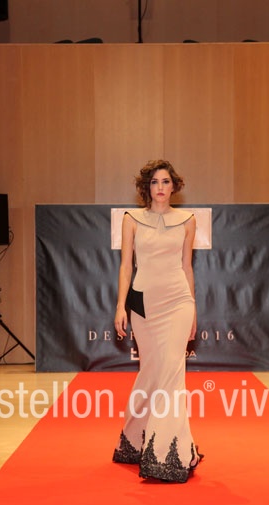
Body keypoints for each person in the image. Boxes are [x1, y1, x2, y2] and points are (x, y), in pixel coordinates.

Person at [112, 159, 202, 483]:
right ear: (146, 188)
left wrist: (193, 308)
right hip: (143, 304)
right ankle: (135, 439)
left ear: (173, 186)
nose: (160, 187)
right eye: (154, 182)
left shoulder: (187, 221)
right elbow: (126, 267)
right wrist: (120, 306)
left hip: (178, 302)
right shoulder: (131, 219)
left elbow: (187, 267)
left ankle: (166, 453)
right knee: (151, 371)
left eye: (165, 182)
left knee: (172, 374)